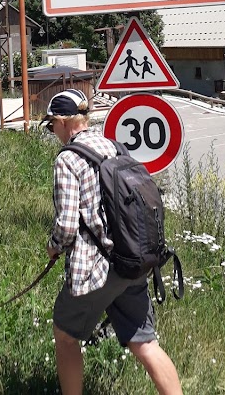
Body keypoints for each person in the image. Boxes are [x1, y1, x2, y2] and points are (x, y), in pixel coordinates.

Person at [43, 89, 183, 395]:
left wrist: (53, 246)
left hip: (97, 268)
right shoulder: (113, 146)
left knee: (65, 334)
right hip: (131, 260)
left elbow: (67, 227)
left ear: (65, 122)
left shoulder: (68, 159)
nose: (52, 131)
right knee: (145, 343)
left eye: (52, 124)